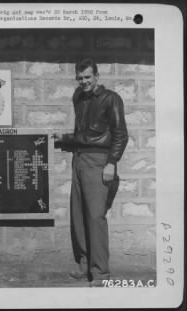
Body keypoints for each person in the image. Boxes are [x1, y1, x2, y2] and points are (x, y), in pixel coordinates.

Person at [53, 58, 128, 287]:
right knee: (78, 214)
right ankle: (85, 263)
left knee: (95, 217)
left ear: (97, 77)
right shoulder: (78, 97)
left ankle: (100, 273)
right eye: (80, 78)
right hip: (79, 159)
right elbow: (84, 133)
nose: (83, 82)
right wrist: (66, 139)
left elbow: (120, 134)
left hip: (98, 161)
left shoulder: (111, 98)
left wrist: (111, 163)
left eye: (87, 77)